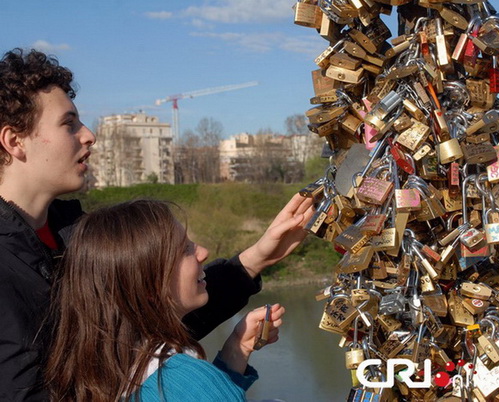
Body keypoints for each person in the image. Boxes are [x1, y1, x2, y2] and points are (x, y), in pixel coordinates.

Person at [0, 48, 313, 400]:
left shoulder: (76, 233)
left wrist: (257, 258)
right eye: (68, 124)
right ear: (15, 142)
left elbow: (145, 323)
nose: (88, 135)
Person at [45, 199, 283, 401]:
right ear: (148, 287)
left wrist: (237, 349)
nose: (203, 252)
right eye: (185, 250)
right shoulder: (179, 378)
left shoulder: (104, 368)